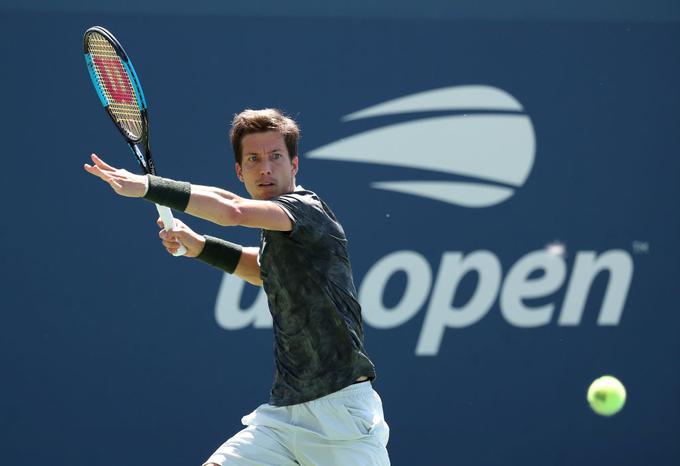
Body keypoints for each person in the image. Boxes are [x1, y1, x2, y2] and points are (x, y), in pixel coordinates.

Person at [84, 108, 390, 466]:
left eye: (276, 157)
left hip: (340, 419)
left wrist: (148, 187)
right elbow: (264, 269)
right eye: (254, 159)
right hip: (283, 415)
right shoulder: (276, 230)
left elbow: (232, 210)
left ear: (294, 165)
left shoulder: (307, 210)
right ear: (239, 171)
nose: (265, 168)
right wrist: (200, 246)